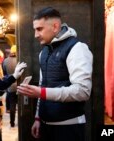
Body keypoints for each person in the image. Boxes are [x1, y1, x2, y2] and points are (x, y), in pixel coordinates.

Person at [17, 7, 93, 141]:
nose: (35, 35)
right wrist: (38, 118)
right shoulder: (44, 52)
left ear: (55, 26)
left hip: (69, 128)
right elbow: (43, 85)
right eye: (35, 29)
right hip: (45, 127)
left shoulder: (77, 48)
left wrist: (42, 92)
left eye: (39, 29)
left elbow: (83, 91)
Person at [2, 45, 18, 128]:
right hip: (19, 84)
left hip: (10, 85)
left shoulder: (5, 61)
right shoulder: (19, 60)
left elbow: (4, 73)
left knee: (12, 104)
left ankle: (12, 122)